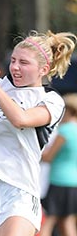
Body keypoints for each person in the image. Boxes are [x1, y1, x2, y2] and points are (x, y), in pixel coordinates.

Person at [0, 30, 77, 236]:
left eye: (23, 62)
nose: (14, 67)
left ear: (44, 69)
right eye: (13, 60)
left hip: (19, 188)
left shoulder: (51, 99)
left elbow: (20, 119)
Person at [39, 94, 77, 236]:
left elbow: (49, 157)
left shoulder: (65, 131)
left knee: (48, 221)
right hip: (74, 183)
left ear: (70, 111)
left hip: (59, 181)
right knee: (67, 221)